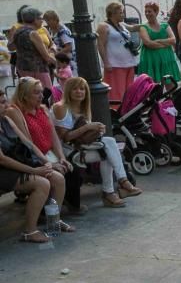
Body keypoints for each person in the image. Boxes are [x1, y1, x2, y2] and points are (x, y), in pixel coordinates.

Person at [52, 77, 141, 208]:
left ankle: (118, 186)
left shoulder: (83, 108)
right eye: (75, 89)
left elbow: (82, 136)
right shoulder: (61, 107)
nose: (79, 92)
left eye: (82, 89)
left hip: (80, 147)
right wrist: (88, 127)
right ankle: (115, 189)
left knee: (109, 145)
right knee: (109, 149)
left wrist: (96, 131)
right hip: (65, 151)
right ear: (68, 91)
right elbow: (65, 137)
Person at [5, 77, 80, 221]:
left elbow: (54, 137)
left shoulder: (43, 109)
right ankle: (48, 215)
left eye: (41, 92)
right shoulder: (15, 112)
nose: (41, 96)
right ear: (24, 95)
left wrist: (62, 158)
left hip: (48, 152)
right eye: (36, 93)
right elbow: (28, 145)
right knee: (61, 175)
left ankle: (55, 213)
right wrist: (49, 163)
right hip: (33, 156)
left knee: (71, 169)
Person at [0, 95, 68, 243]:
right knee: (42, 183)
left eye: (5, 101)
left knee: (58, 179)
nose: (7, 105)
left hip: (17, 162)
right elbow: (3, 160)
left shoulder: (6, 120)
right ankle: (29, 231)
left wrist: (46, 162)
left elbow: (28, 143)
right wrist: (35, 171)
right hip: (4, 170)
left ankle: (54, 222)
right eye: (2, 102)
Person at [97, 2, 141, 102]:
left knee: (128, 91)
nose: (123, 15)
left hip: (129, 63)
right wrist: (106, 62)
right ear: (112, 13)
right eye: (120, 13)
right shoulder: (103, 26)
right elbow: (100, 45)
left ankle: (127, 111)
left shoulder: (121, 25)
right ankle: (116, 111)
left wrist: (148, 24)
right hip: (115, 65)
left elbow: (134, 28)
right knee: (117, 92)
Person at [11, 8, 56, 89]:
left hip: (22, 68)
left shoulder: (18, 31)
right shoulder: (33, 34)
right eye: (41, 18)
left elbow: (11, 47)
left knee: (28, 94)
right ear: (35, 20)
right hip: (37, 69)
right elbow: (46, 57)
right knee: (45, 94)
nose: (42, 21)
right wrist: (59, 64)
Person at [137, 2, 181, 83]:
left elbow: (173, 40)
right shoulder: (143, 27)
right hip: (150, 60)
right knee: (152, 87)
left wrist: (158, 41)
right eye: (146, 11)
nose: (147, 14)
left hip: (166, 59)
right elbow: (149, 44)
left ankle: (170, 96)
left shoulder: (165, 25)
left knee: (170, 84)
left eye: (149, 11)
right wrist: (166, 45)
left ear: (156, 12)